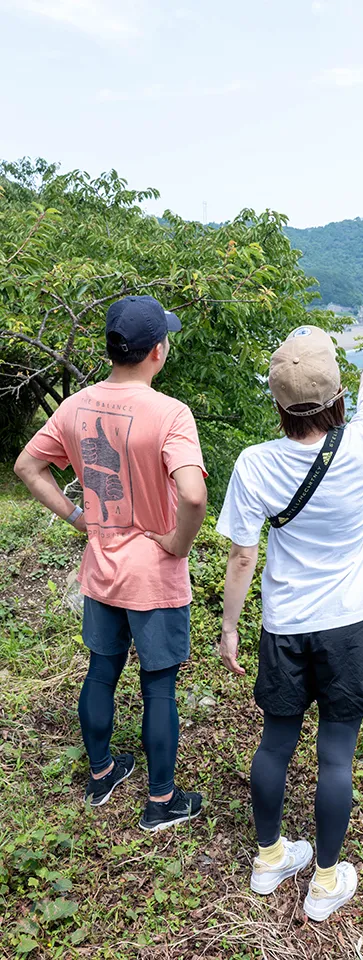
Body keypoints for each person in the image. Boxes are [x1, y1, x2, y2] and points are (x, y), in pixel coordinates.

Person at [216, 297, 363, 921]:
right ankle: (325, 882)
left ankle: (269, 859)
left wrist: (229, 629)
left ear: (277, 400)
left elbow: (243, 557)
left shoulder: (255, 463)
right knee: (335, 754)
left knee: (275, 742)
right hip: (350, 622)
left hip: (286, 625)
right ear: (337, 393)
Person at [14, 295, 208, 832]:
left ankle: (101, 774)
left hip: (100, 566)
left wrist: (80, 517)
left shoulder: (75, 406)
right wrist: (177, 544)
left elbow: (28, 466)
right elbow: (192, 495)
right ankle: (161, 801)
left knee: (102, 671)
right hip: (154, 574)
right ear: (157, 353)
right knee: (159, 686)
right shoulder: (170, 413)